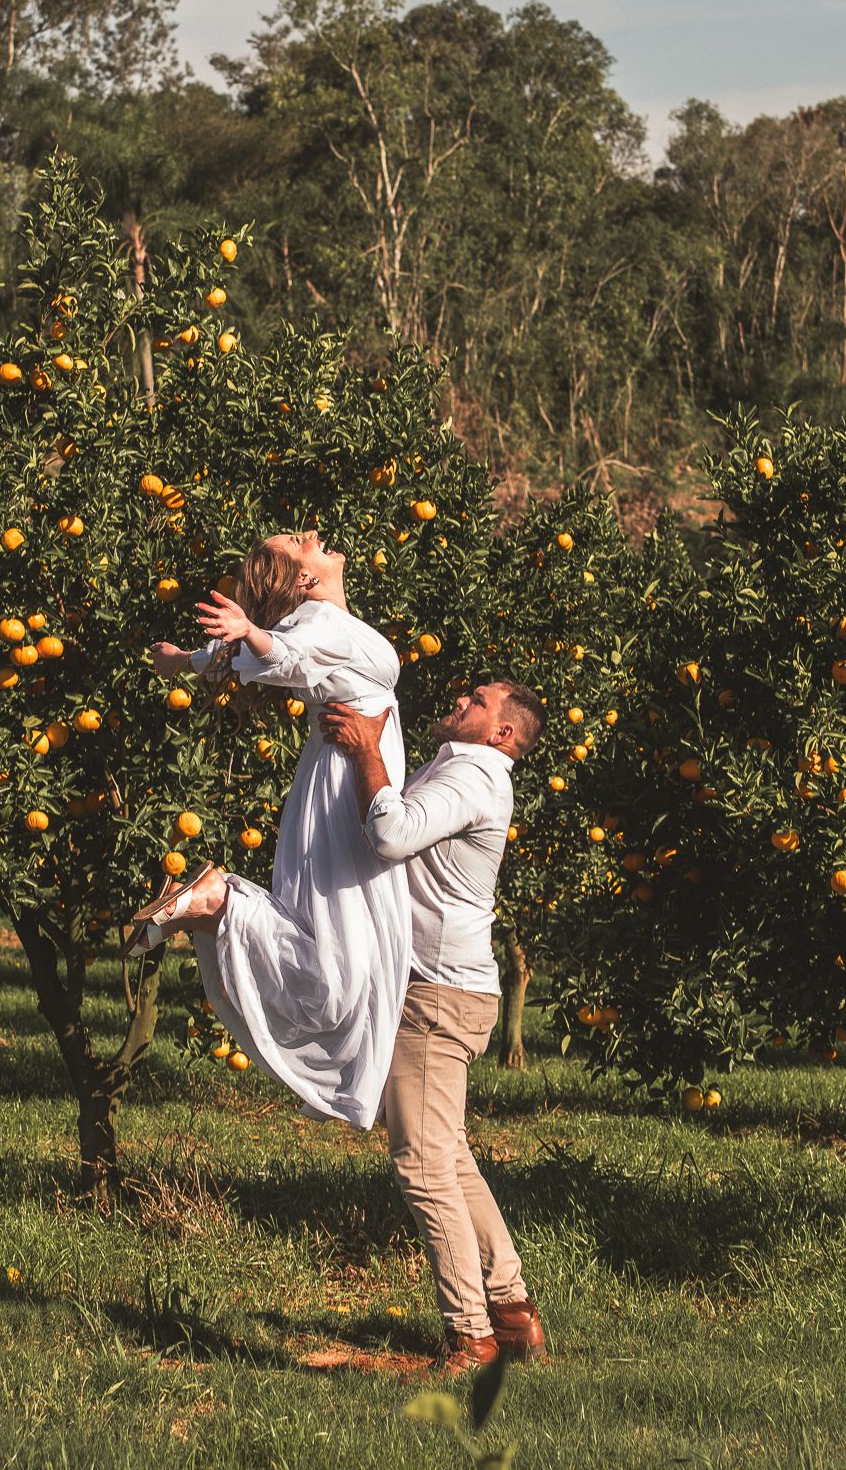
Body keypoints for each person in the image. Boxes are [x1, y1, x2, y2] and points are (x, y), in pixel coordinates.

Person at [129, 529, 412, 1130]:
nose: (313, 532)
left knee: (356, 952)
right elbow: (280, 657)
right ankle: (222, 902)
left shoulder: (324, 619)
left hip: (349, 783)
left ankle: (382, 1081)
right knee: (343, 968)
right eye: (299, 541)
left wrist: (186, 660)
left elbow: (264, 651)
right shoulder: (315, 620)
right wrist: (251, 635)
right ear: (304, 581)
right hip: (344, 793)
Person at [319, 679, 549, 1375]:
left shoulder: (474, 775)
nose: (461, 701)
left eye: (478, 700)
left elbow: (389, 833)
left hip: (436, 997)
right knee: (446, 1153)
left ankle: (468, 1336)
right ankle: (511, 1312)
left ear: (502, 732)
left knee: (420, 1165)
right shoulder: (462, 766)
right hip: (448, 989)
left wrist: (365, 753)